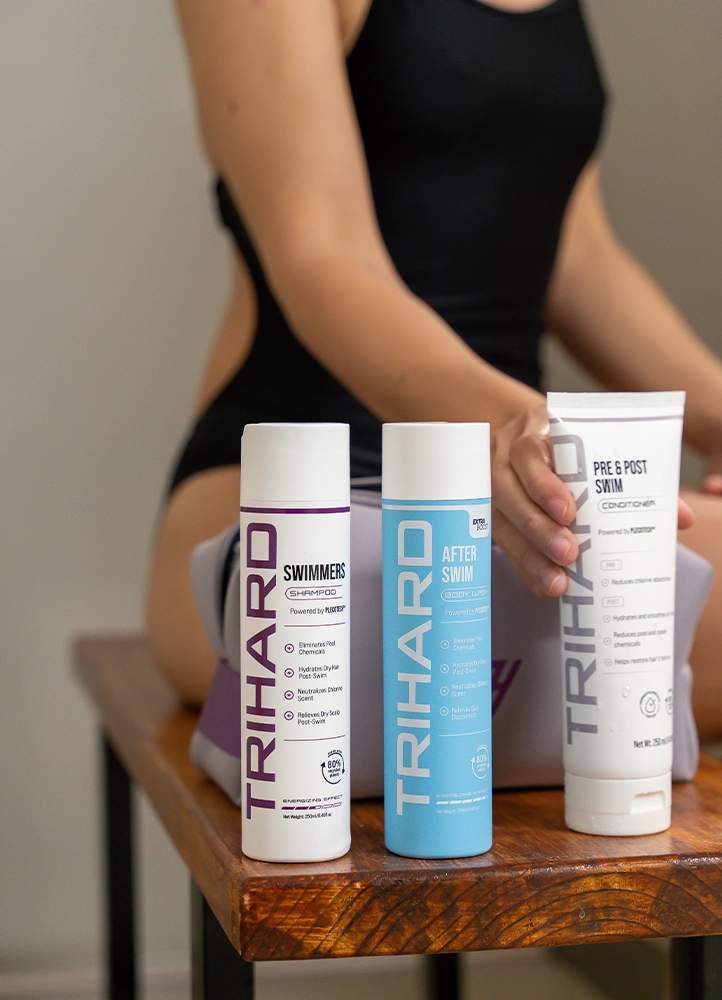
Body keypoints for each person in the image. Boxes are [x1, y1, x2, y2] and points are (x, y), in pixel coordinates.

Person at [147, 0, 722, 740]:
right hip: (305, 483)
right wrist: (506, 425)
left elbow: (577, 256)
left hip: (512, 483)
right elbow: (322, 257)